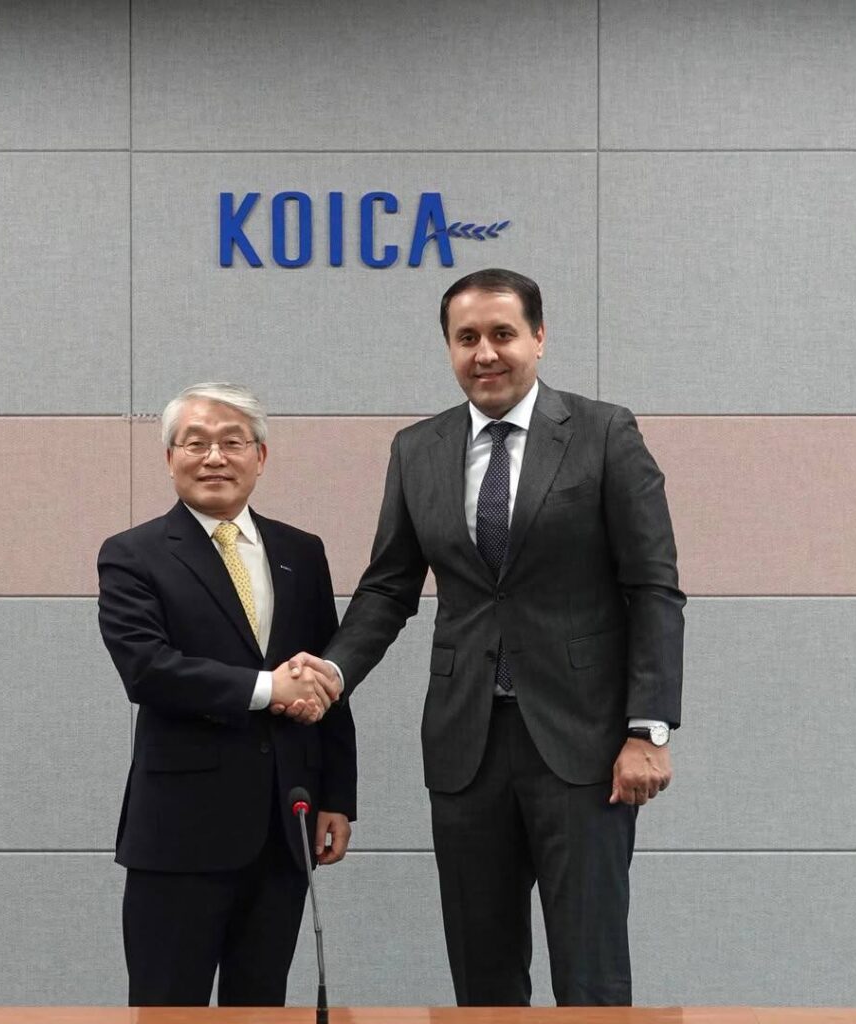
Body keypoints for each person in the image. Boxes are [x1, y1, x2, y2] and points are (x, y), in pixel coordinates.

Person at [292, 269, 684, 1006]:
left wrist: (649, 728)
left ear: (539, 338)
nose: (485, 353)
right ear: (448, 347)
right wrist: (333, 673)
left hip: (584, 745)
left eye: (503, 334)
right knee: (482, 976)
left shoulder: (604, 433)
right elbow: (388, 587)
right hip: (465, 743)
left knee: (591, 972)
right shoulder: (417, 448)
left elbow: (654, 589)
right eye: (466, 337)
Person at [97, 381, 356, 1007]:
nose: (214, 457)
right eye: (196, 443)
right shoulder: (132, 555)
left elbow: (328, 679)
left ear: (260, 456)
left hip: (283, 825)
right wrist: (268, 688)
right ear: (170, 458)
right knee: (166, 1008)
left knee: (263, 1006)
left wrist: (338, 797)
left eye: (232, 442)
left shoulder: (302, 552)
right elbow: (148, 669)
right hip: (179, 832)